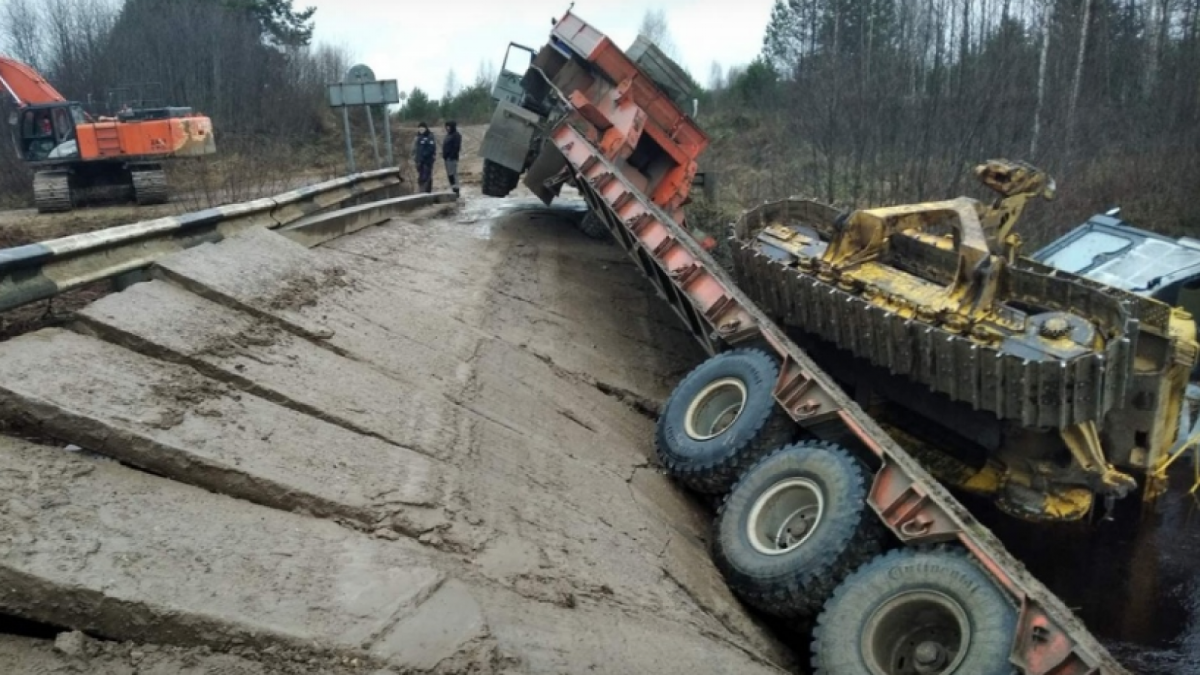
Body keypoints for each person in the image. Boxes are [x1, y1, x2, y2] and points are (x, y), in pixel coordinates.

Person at [412, 121, 437, 193]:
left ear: (426, 128)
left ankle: (427, 192)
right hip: (419, 161)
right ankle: (422, 191)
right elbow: (415, 150)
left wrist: (423, 157)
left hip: (427, 161)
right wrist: (415, 158)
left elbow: (431, 149)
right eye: (419, 128)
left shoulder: (430, 136)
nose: (421, 130)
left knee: (426, 177)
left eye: (422, 128)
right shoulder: (418, 137)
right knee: (421, 177)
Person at [442, 120, 462, 196]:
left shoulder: (456, 135)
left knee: (453, 174)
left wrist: (451, 155)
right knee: (450, 175)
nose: (447, 128)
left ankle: (456, 190)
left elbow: (456, 147)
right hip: (446, 158)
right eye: (446, 126)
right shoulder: (448, 135)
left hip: (452, 158)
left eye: (449, 126)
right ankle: (453, 189)